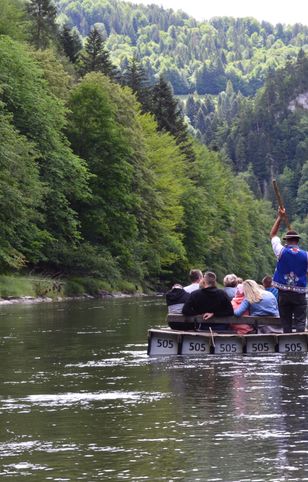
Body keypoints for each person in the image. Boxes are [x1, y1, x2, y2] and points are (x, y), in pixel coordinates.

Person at [270, 207, 308, 333]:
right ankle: (301, 347)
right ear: (297, 241)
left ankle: (286, 346)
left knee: (286, 323)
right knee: (300, 323)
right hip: (300, 294)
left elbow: (273, 235)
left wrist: (280, 217)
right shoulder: (306, 255)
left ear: (286, 241)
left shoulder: (281, 251)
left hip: (284, 294)